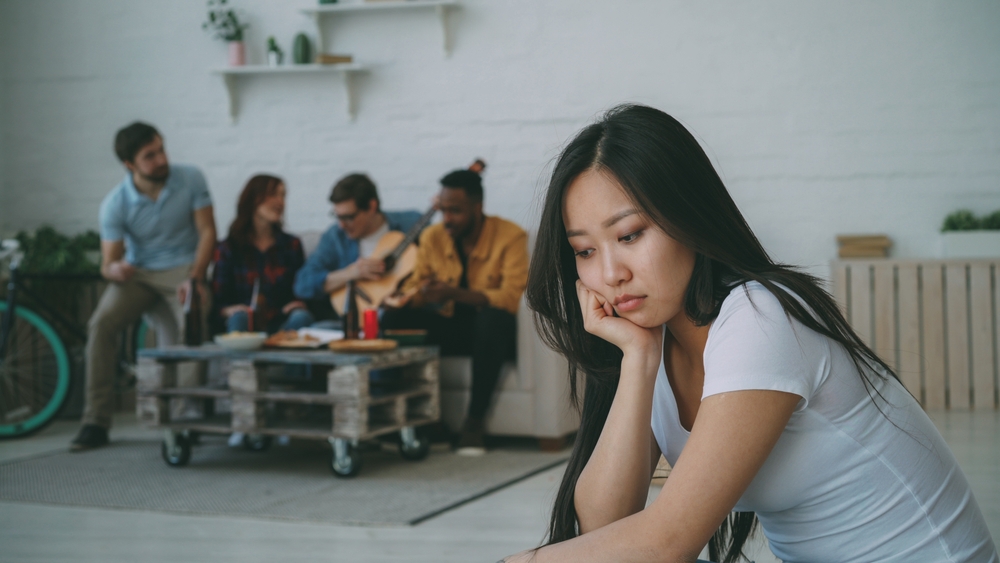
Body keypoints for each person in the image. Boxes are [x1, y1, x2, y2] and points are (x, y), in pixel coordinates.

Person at [500, 105, 997, 563]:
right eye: (585, 251)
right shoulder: (657, 340)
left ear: (687, 215)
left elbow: (666, 543)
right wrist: (638, 360)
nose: (610, 273)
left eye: (630, 235)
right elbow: (605, 526)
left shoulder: (760, 318)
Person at [71, 122, 216, 452]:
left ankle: (185, 417)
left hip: (183, 268)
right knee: (100, 325)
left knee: (192, 319)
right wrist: (115, 269)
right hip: (140, 272)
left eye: (161, 150)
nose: (161, 159)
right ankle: (95, 421)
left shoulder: (191, 178)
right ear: (130, 165)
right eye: (150, 156)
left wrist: (196, 277)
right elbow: (108, 263)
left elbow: (207, 232)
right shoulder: (115, 204)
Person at [382, 162, 529, 456]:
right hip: (451, 325)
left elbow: (511, 296)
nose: (447, 219)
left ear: (478, 207)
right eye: (444, 210)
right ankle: (415, 422)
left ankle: (473, 425)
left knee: (491, 320)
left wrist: (453, 293)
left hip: (492, 333)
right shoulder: (434, 236)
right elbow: (417, 279)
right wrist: (416, 294)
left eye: (456, 211)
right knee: (395, 317)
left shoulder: (510, 236)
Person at [293, 173, 423, 322]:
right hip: (351, 322)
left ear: (372, 206)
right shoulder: (336, 236)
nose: (341, 225)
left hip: (401, 317)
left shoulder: (411, 224)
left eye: (348, 217)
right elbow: (303, 284)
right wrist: (351, 273)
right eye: (337, 216)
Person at [212, 174, 312, 335]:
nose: (280, 202)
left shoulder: (291, 245)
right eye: (273, 194)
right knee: (239, 318)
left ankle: (282, 358)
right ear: (253, 199)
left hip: (281, 324)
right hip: (244, 322)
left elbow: (301, 289)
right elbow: (218, 301)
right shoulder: (228, 248)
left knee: (302, 317)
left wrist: (297, 303)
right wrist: (229, 310)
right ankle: (242, 361)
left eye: (283, 195)